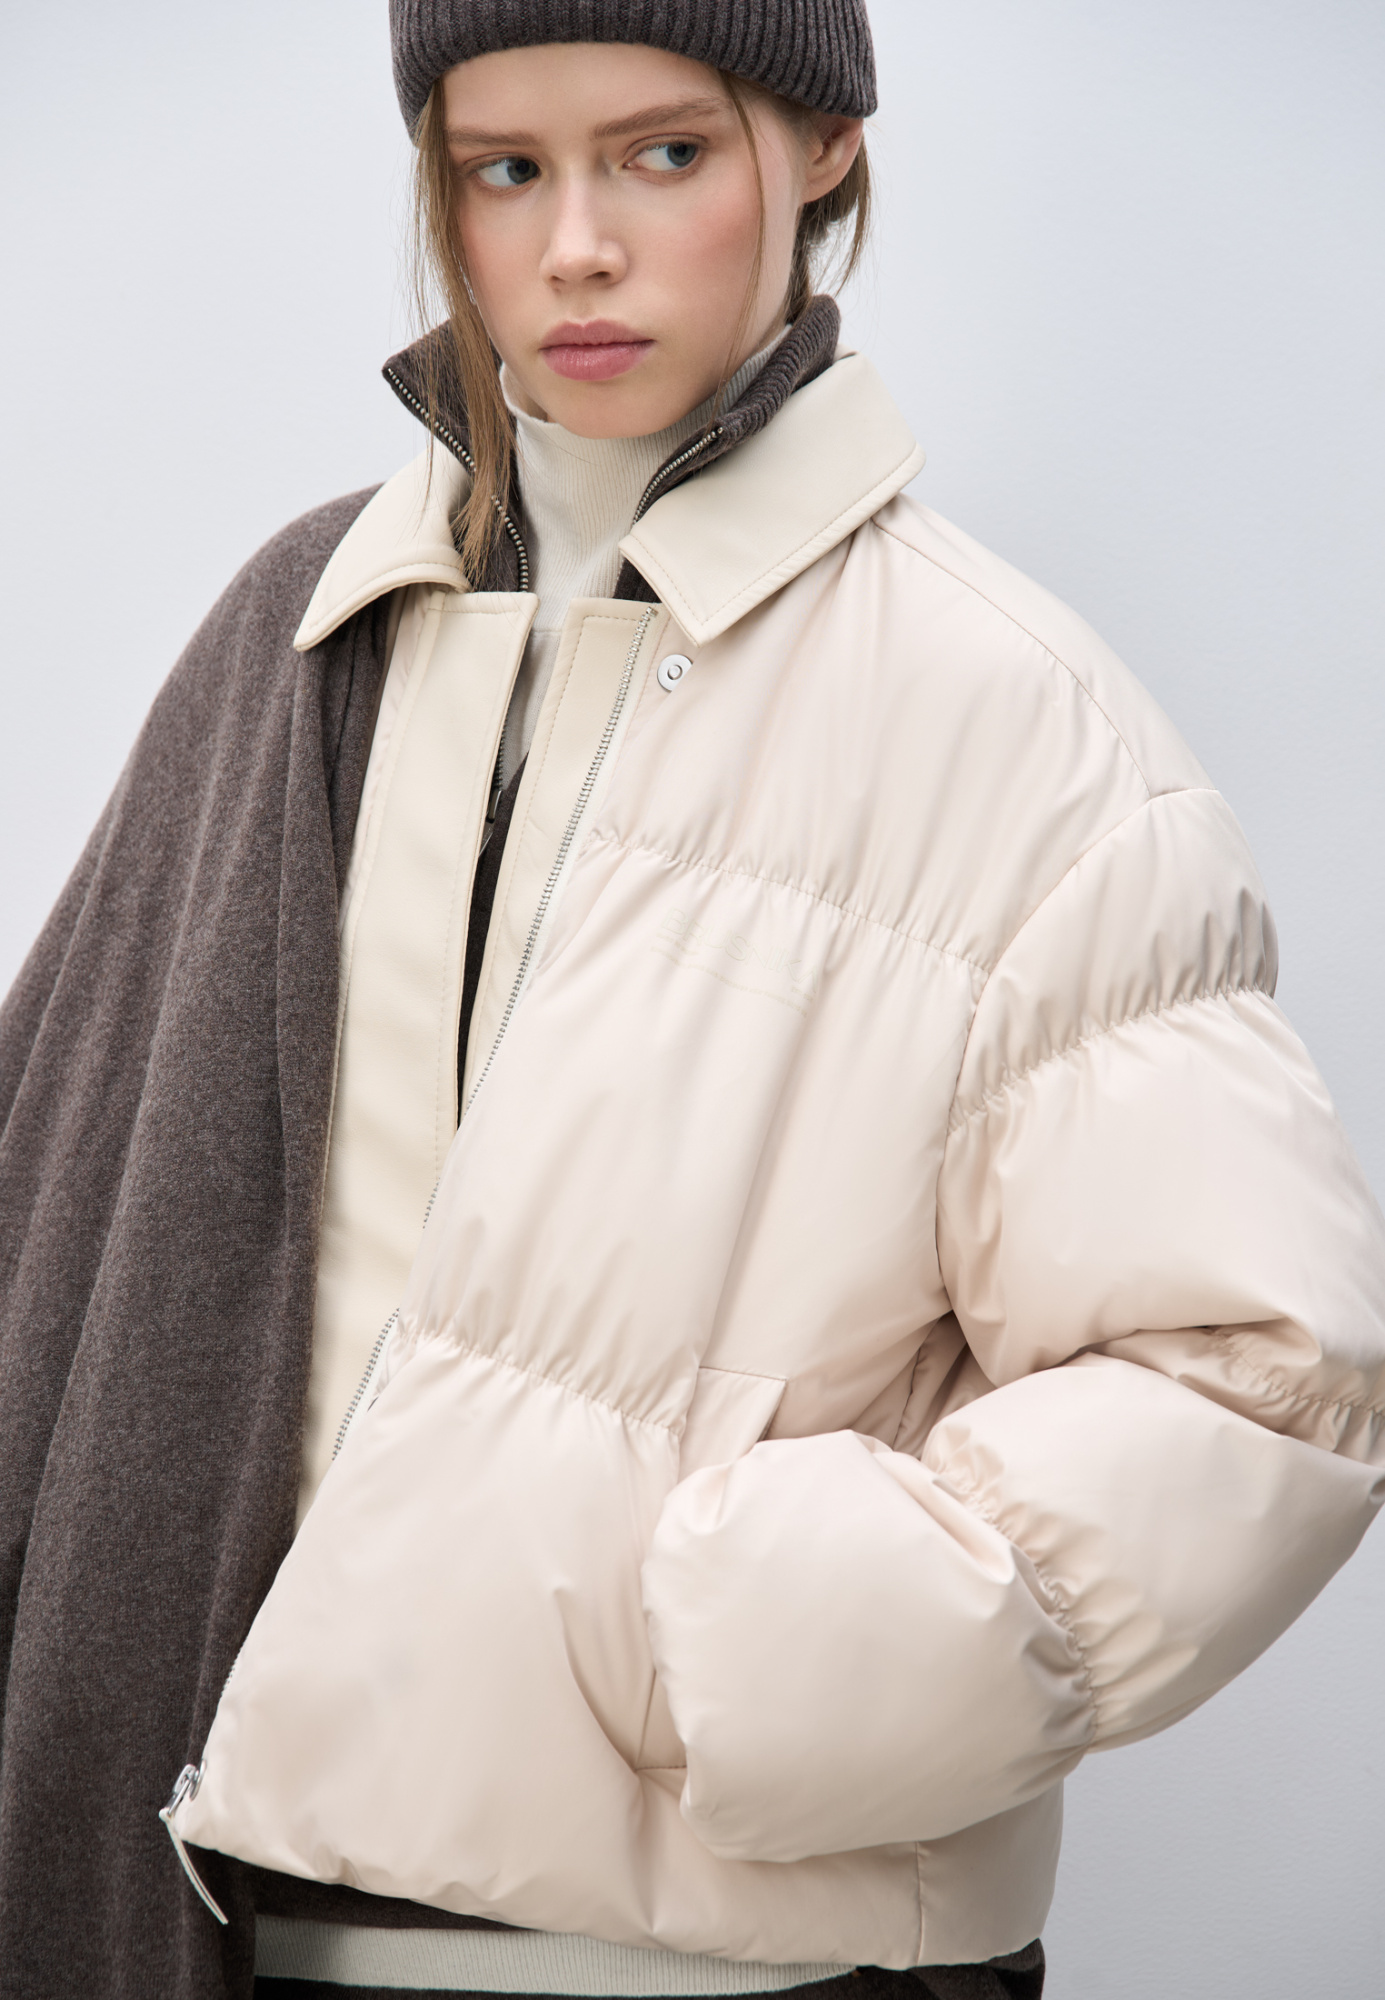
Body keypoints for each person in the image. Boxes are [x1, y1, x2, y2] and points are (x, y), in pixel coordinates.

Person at [1, 3, 1382, 1998]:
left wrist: (756, 1645)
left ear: (820, 147)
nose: (576, 247)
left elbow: (1260, 1378)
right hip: (218, 1929)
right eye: (506, 170)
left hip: (733, 1962)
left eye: (662, 154)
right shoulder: (301, 642)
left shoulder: (1010, 724)